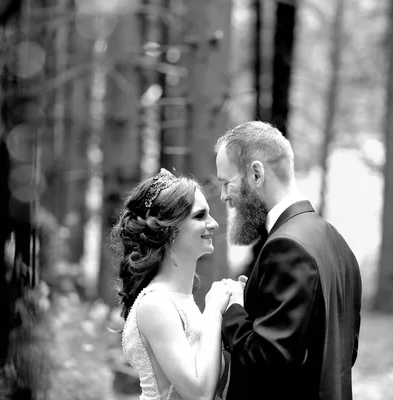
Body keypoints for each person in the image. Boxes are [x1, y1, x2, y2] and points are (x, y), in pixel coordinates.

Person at [214, 121, 363, 400]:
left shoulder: (286, 247)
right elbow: (345, 354)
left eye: (226, 183)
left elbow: (267, 361)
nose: (224, 196)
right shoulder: (337, 242)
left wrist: (234, 309)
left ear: (256, 173)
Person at [112, 168, 233, 400]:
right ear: (170, 229)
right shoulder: (156, 304)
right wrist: (214, 312)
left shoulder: (179, 299)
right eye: (200, 216)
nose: (214, 223)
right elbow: (198, 394)